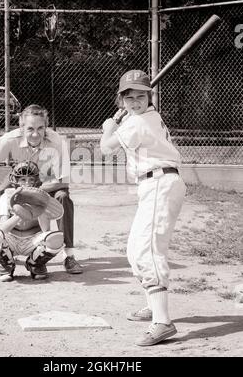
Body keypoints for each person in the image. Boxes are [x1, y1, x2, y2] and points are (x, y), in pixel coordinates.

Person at [100, 70, 186, 346]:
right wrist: (120, 121)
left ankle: (162, 322)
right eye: (129, 97)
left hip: (160, 182)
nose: (135, 101)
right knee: (135, 248)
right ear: (121, 100)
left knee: (148, 251)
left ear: (150, 96)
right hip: (156, 183)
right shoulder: (145, 118)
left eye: (141, 96)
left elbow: (106, 149)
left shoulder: (137, 123)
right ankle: (153, 303)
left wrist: (108, 128)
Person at [0, 104, 83, 275]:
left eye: (40, 128)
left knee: (63, 197)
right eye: (30, 128)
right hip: (19, 182)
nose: (35, 133)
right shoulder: (10, 139)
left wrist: (33, 193)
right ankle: (0, 250)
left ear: (46, 127)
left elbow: (63, 181)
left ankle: (69, 255)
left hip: (47, 184)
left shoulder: (57, 141)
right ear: (21, 128)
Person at [0, 161, 65, 282]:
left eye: (31, 179)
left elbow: (45, 230)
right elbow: (2, 228)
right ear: (15, 180)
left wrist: (39, 207)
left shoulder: (42, 197)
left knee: (55, 238)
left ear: (36, 180)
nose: (27, 183)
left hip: (32, 241)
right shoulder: (7, 196)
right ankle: (7, 266)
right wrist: (20, 214)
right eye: (22, 179)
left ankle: (35, 264)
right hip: (12, 241)